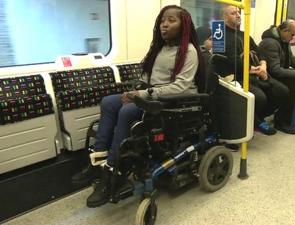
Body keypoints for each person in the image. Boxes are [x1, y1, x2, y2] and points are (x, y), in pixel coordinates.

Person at [83, 5, 206, 208]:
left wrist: (142, 94)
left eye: (171, 20)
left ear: (183, 25)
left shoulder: (189, 51)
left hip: (176, 100)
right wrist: (136, 90)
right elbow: (146, 79)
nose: (164, 24)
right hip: (153, 95)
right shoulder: (158, 49)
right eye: (162, 20)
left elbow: (181, 86)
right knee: (109, 101)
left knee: (128, 110)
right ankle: (98, 158)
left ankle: (115, 171)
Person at [219, 5, 289, 136]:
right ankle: (256, 121)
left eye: (239, 12)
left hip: (253, 72)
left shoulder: (244, 35)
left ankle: (256, 118)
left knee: (282, 92)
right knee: (260, 98)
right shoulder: (221, 35)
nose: (238, 15)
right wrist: (254, 70)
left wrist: (263, 66)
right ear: (224, 17)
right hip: (235, 76)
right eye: (233, 13)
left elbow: (259, 52)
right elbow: (231, 62)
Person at [258, 19, 295, 134]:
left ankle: (285, 119)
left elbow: (291, 59)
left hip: (275, 73)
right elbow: (275, 70)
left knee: (294, 83)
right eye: (292, 34)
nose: (292, 38)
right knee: (292, 86)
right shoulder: (270, 43)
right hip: (266, 75)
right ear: (285, 31)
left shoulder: (284, 41)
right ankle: (281, 122)